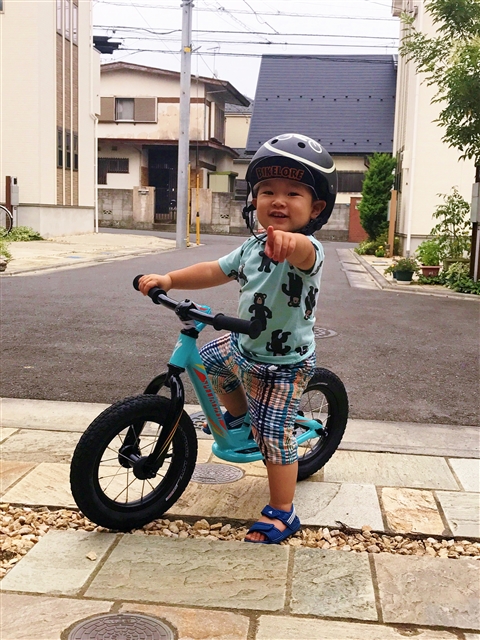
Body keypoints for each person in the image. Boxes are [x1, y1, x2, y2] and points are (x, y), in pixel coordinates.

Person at [139, 133, 337, 544]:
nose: (277, 200)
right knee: (211, 361)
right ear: (254, 199)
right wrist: (170, 279)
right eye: (267, 191)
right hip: (243, 345)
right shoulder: (251, 247)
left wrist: (290, 242)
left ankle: (283, 512)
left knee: (273, 436)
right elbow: (214, 269)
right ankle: (238, 414)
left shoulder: (308, 249)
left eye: (292, 193)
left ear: (315, 207)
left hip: (282, 365)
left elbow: (302, 253)